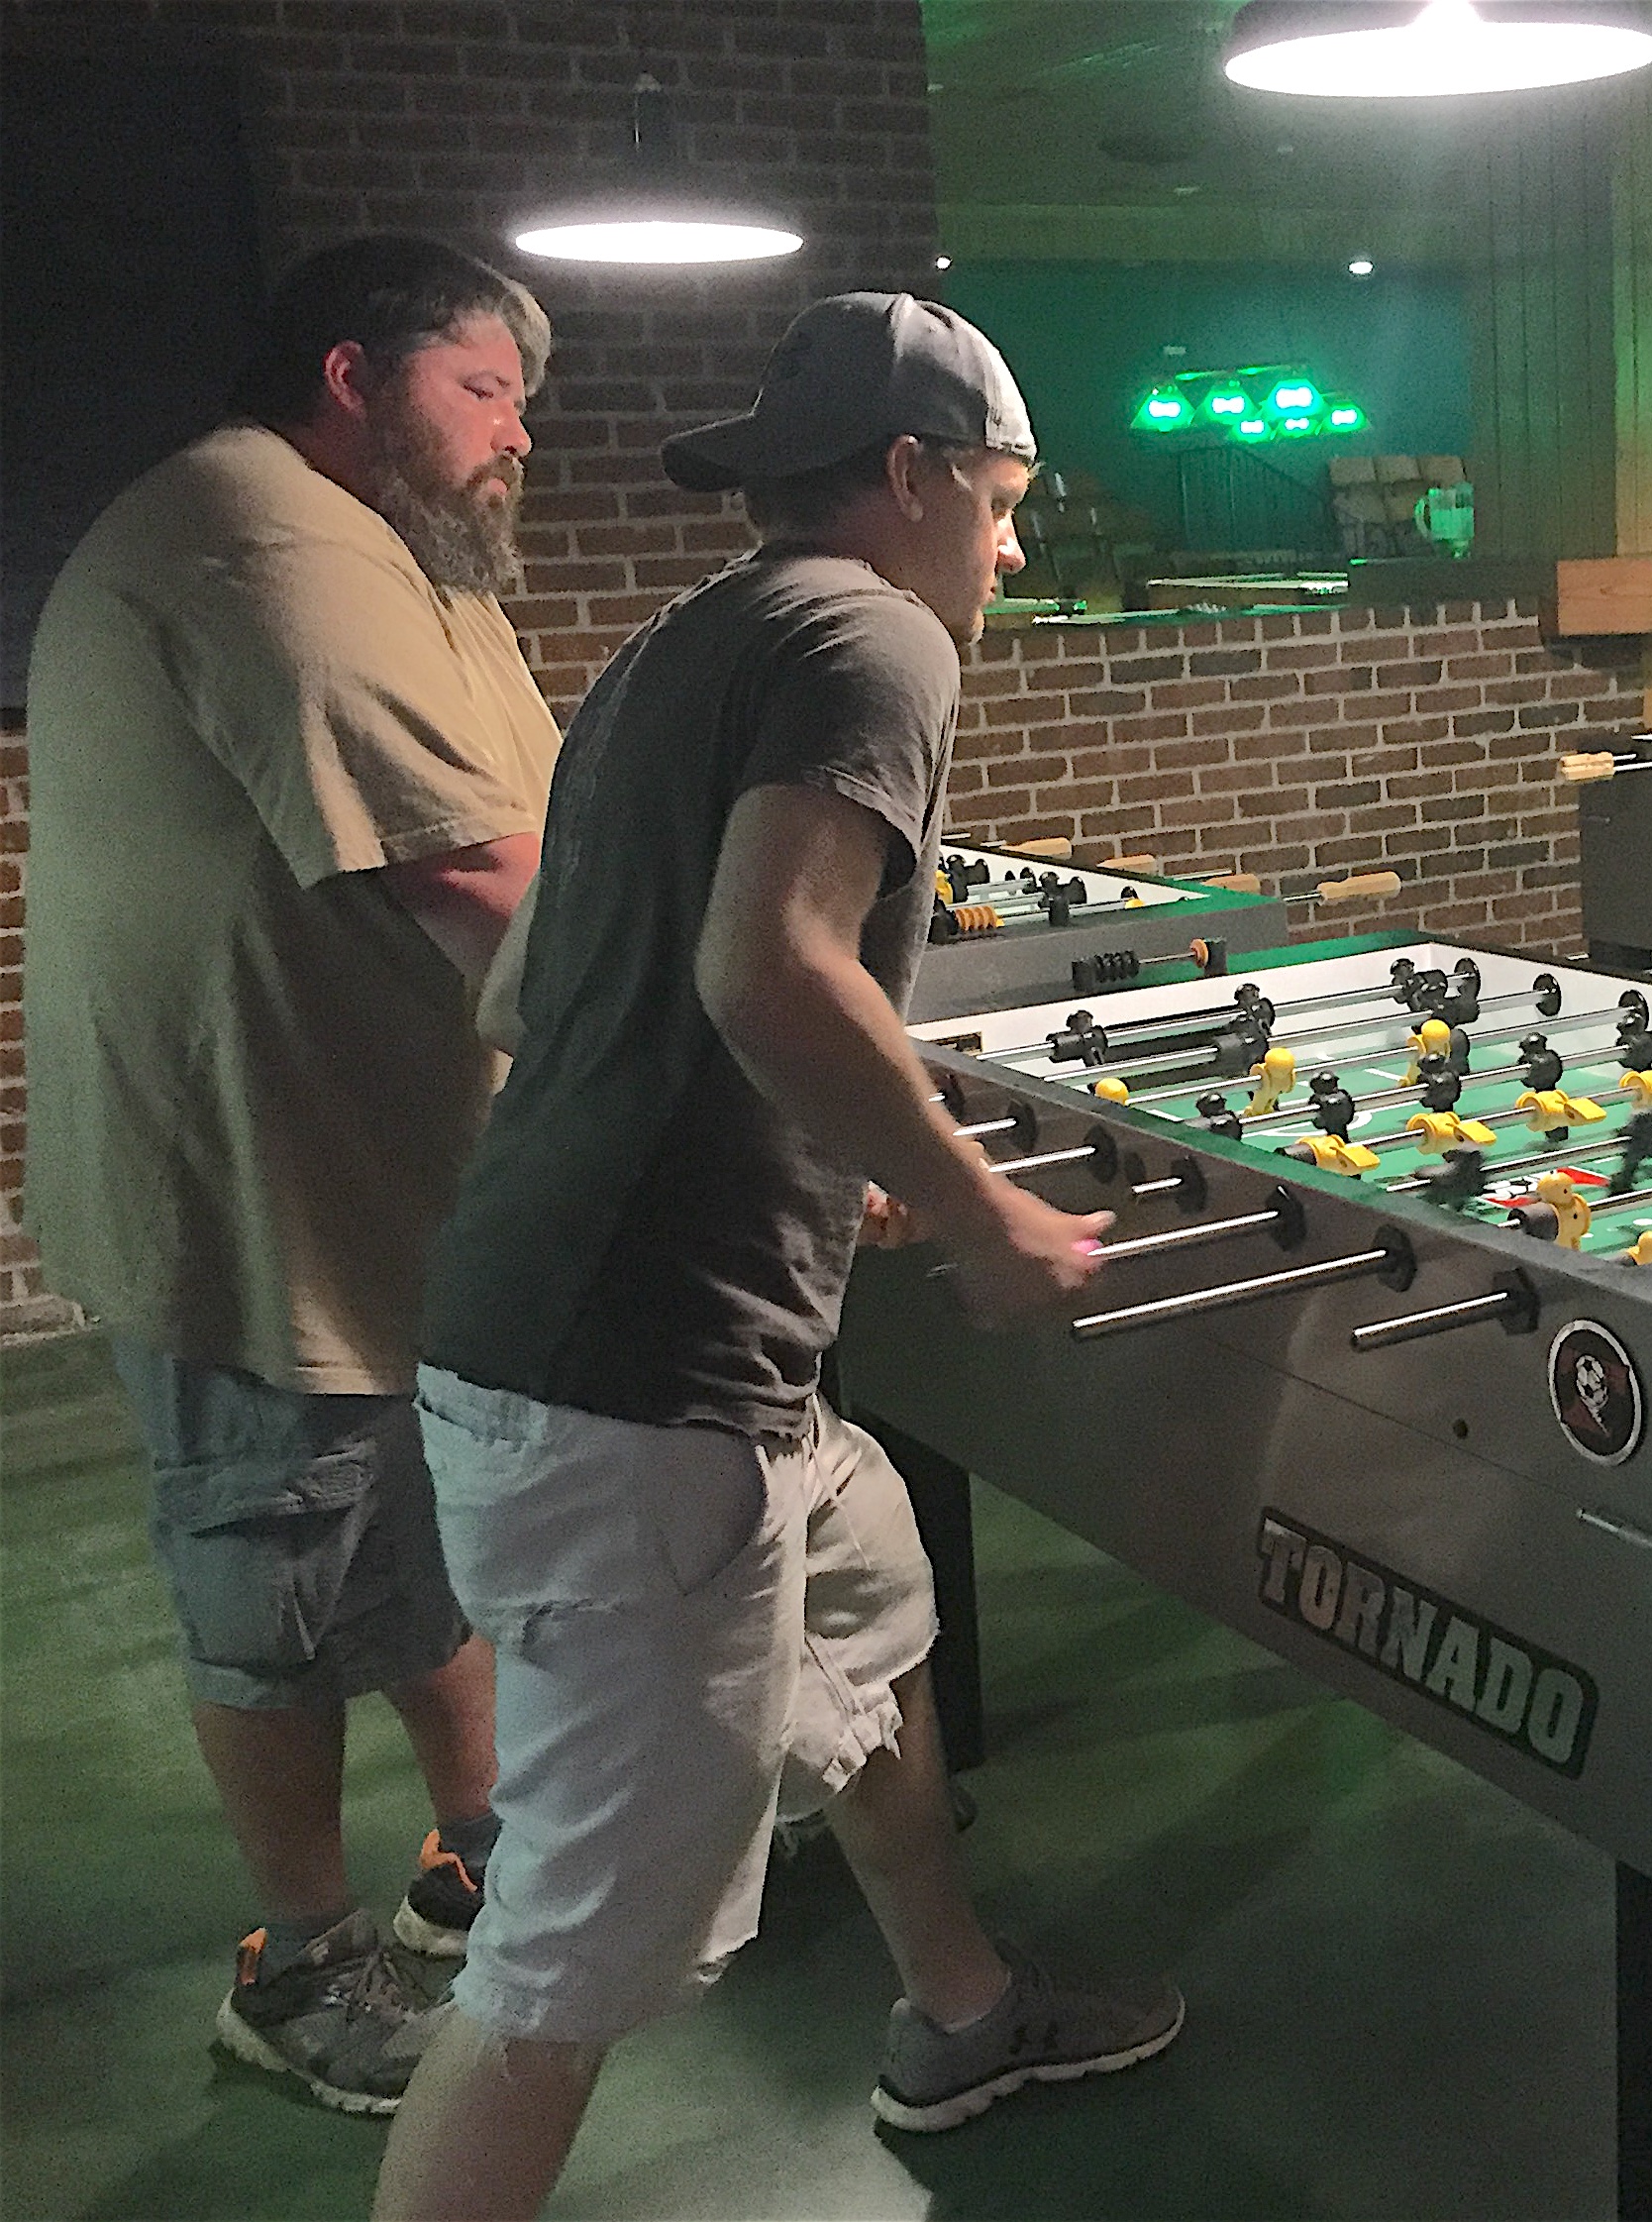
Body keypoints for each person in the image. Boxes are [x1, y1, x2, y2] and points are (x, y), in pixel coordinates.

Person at [372, 293, 1180, 2222]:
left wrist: (826, 1155)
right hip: (634, 1400)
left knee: (869, 1630)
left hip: (611, 1347)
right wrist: (980, 1207)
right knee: (566, 1973)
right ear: (907, 476)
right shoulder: (873, 632)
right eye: (1001, 498)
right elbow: (766, 965)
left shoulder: (683, 641)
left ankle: (962, 2008)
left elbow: (559, 997)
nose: (1007, 545)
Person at [22, 235, 560, 2114]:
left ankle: (477, 1846)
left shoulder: (409, 560)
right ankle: (296, 1966)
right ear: (355, 373)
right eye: (489, 390)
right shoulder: (264, 532)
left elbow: (540, 825)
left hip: (379, 1180)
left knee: (421, 1545)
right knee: (277, 1583)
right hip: (251, 1194)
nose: (518, 438)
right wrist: (740, 1081)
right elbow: (483, 887)